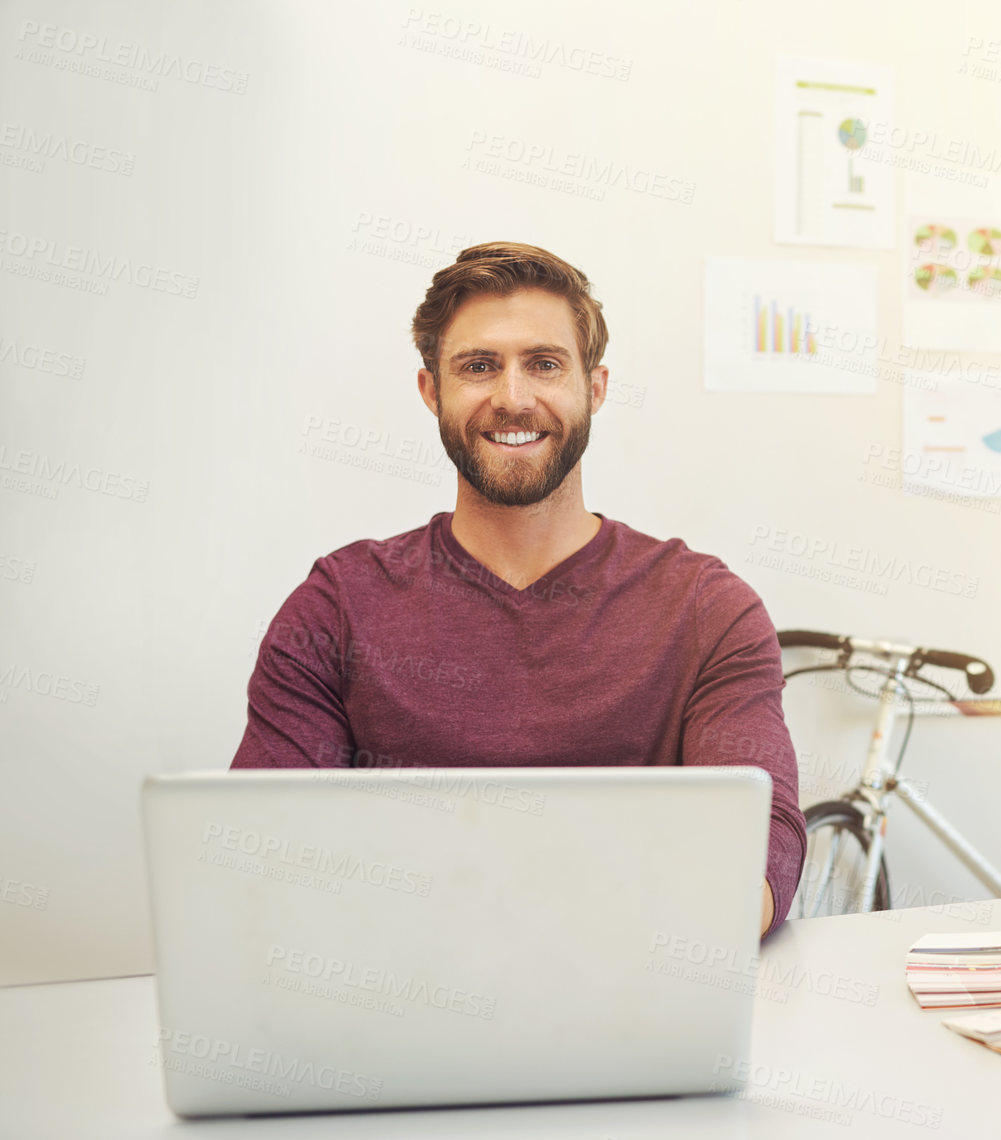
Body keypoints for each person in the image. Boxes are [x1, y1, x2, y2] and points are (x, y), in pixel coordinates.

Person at [231, 241, 805, 936]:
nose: (512, 398)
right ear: (430, 390)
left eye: (544, 364)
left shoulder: (709, 611)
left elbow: (757, 856)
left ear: (593, 387)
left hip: (631, 1008)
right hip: (393, 1005)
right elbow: (263, 861)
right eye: (478, 367)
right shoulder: (337, 608)